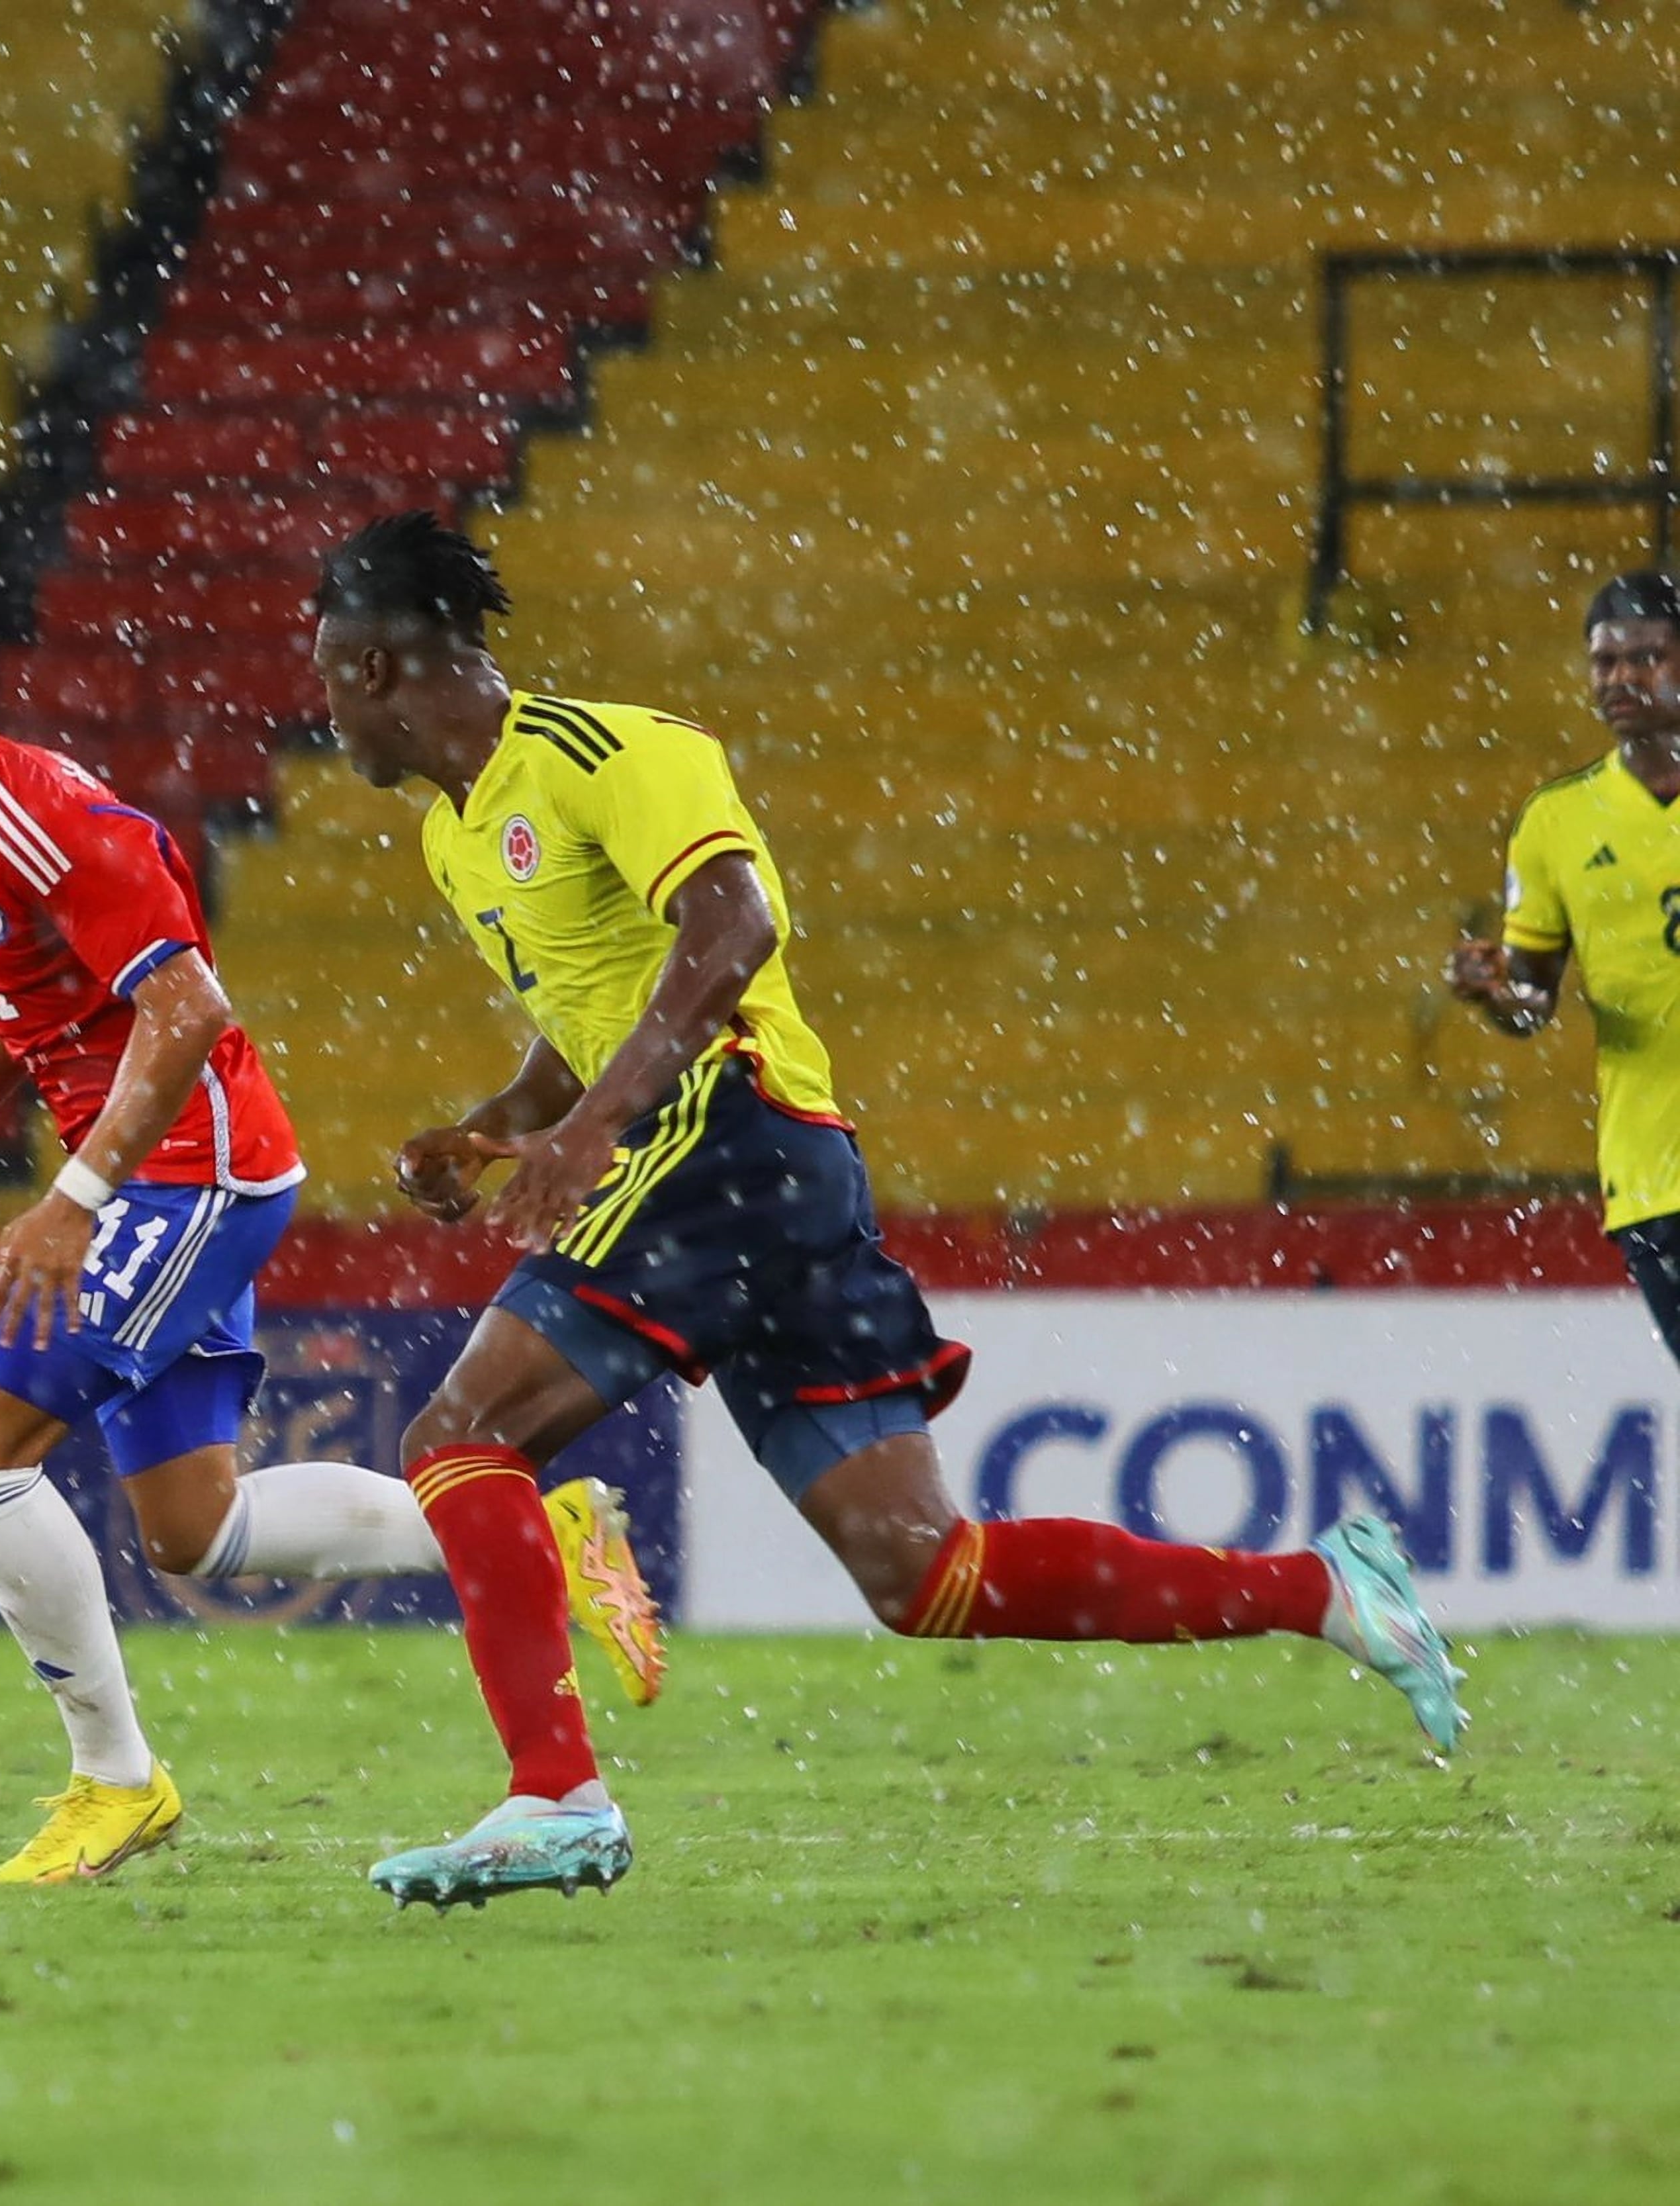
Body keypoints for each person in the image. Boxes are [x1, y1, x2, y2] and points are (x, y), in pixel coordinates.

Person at [307, 510, 1465, 1911]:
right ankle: (1327, 1590)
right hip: (762, 1174)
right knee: (921, 1571)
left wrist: (596, 1126)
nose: (319, 717)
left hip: (726, 1137)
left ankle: (554, 1792)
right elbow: (591, 997)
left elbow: (730, 930)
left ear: (369, 666)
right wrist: (505, 1123)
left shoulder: (609, 754)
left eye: (321, 679)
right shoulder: (453, 835)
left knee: (459, 1435)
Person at [0, 576, 666, 1885]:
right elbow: (49, 992)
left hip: (192, 1175)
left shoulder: (43, 815)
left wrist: (72, 1199)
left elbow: (184, 1009)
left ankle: (115, 1782)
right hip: (163, 1172)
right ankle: (537, 1527)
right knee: (196, 1528)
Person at [1449, 569, 1680, 1363]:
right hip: (1655, 1176)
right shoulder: (1556, 823)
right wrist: (1491, 992)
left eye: (1645, 658)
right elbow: (1529, 1002)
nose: (1620, 679)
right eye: (1603, 662)